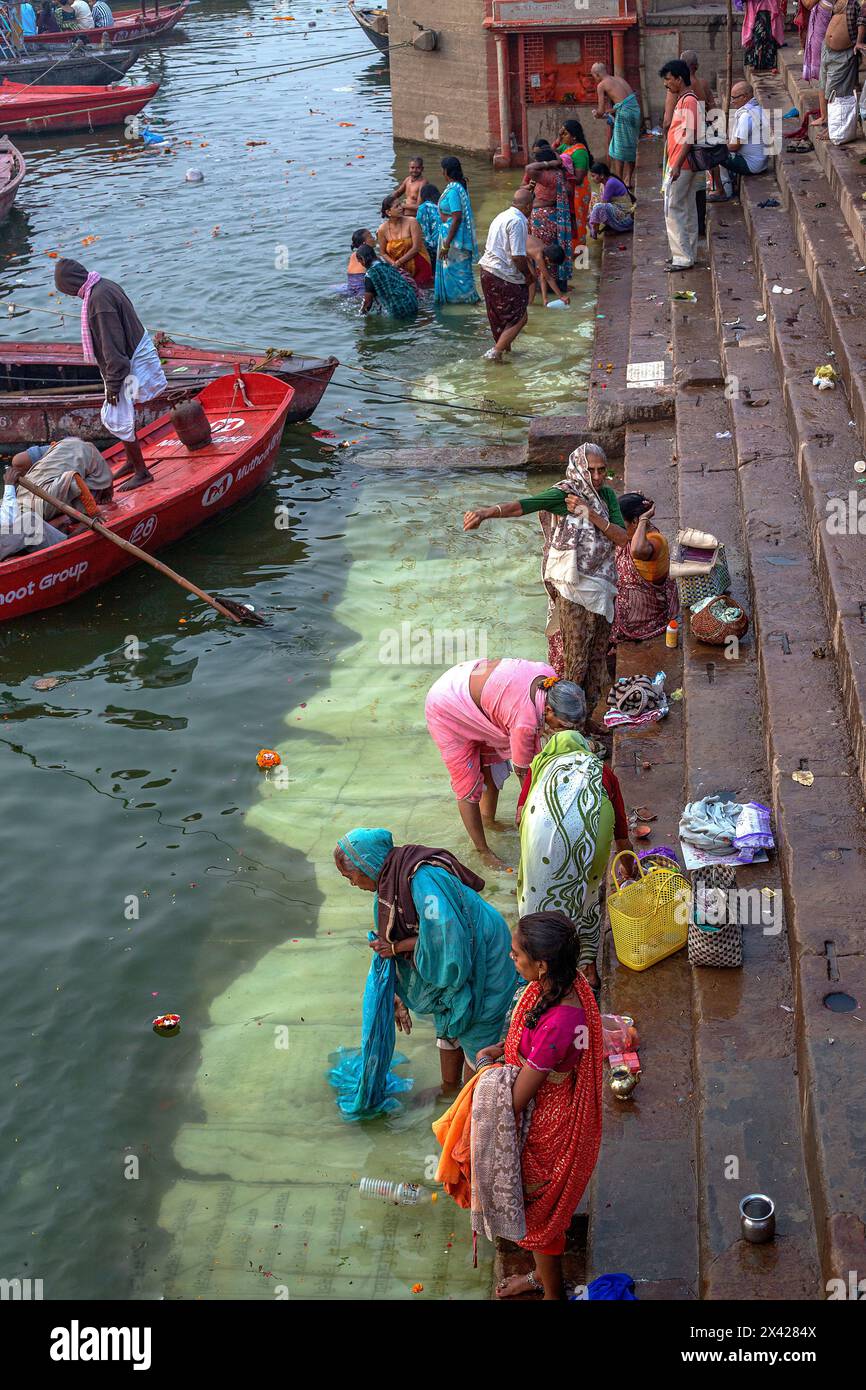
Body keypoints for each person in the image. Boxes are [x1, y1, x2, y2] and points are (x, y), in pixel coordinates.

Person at [476, 914, 603, 1300]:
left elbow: (516, 1099)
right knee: (540, 1213)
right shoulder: (561, 983)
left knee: (539, 1215)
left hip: (547, 1124)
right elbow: (526, 1041)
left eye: (516, 955)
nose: (510, 958)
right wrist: (503, 1050)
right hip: (545, 1101)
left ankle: (551, 1293)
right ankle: (539, 1275)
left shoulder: (562, 1022)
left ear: (542, 964)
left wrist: (484, 1067)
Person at [334, 828, 517, 1091]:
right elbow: (396, 941)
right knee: (448, 1020)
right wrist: (396, 990)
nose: (352, 883)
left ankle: (468, 1103)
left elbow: (448, 941)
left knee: (477, 1036)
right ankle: (448, 1090)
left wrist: (397, 949)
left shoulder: (422, 881)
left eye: (350, 876)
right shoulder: (388, 885)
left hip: (483, 954)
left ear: (367, 864)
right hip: (457, 954)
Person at [462, 444, 628, 722]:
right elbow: (523, 506)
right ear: (578, 469)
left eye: (602, 470)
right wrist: (486, 512)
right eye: (592, 471)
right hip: (573, 591)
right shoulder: (563, 495)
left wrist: (591, 514)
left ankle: (586, 720)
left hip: (602, 588)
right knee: (576, 661)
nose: (598, 477)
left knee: (598, 657)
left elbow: (621, 538)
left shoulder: (607, 496)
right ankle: (570, 727)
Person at [425, 660, 587, 869]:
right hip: (446, 705)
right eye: (563, 725)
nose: (563, 731)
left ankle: (488, 821)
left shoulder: (547, 676)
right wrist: (536, 817)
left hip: (462, 680)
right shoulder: (524, 723)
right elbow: (526, 778)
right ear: (548, 710)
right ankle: (482, 851)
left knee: (491, 764)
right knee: (468, 785)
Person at [515, 732, 634, 997]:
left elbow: (520, 816)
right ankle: (588, 971)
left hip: (542, 835)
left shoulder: (540, 765)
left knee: (538, 904)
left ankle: (540, 977)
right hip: (590, 834)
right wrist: (630, 869)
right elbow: (622, 835)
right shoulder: (601, 771)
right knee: (586, 898)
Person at [53, 260, 167, 492]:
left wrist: (114, 387)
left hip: (126, 363)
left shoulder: (98, 301)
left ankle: (142, 472)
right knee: (123, 415)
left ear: (70, 285)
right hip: (131, 354)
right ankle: (130, 460)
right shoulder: (103, 284)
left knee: (118, 417)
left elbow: (113, 348)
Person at [610, 492, 680, 643]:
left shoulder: (654, 540)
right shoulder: (637, 533)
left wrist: (642, 519)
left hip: (643, 620)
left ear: (635, 521)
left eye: (622, 523)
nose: (619, 527)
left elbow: (636, 550)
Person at [477, 186, 534, 362]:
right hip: (502, 274)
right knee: (520, 317)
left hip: (487, 271)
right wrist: (528, 276)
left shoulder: (502, 215)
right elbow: (517, 256)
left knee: (500, 318)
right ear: (527, 207)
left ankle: (504, 351)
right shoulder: (518, 221)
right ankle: (495, 352)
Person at [660, 59, 703, 272]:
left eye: (668, 80)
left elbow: (690, 135)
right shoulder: (684, 99)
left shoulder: (689, 101)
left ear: (679, 78)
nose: (666, 84)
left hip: (681, 164)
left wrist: (676, 164)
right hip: (681, 163)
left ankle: (682, 257)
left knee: (673, 208)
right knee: (686, 208)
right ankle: (688, 254)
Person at [521, 142, 573, 288]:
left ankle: (543, 287)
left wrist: (549, 162)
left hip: (543, 218)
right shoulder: (559, 174)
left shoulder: (545, 175)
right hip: (552, 216)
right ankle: (556, 285)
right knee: (552, 251)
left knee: (543, 254)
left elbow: (528, 168)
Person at [708, 82, 769, 200]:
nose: (732, 101)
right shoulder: (757, 108)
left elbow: (735, 146)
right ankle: (727, 183)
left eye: (734, 98)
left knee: (712, 154)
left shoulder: (747, 116)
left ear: (745, 97)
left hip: (752, 165)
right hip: (761, 162)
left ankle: (723, 191)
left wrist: (717, 146)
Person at [434, 156, 480, 305]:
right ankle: (462, 302)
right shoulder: (458, 186)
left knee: (459, 274)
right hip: (452, 238)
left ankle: (467, 302)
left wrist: (446, 245)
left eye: (442, 170)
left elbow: (457, 217)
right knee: (457, 273)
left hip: (454, 241)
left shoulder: (454, 191)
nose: (441, 173)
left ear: (446, 171)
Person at [591, 62, 641, 189]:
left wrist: (596, 114)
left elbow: (601, 111)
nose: (595, 79)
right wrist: (610, 112)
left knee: (618, 149)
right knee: (630, 145)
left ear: (597, 74)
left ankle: (619, 182)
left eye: (594, 76)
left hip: (624, 114)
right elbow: (625, 101)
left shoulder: (601, 85)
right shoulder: (618, 79)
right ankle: (628, 179)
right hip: (635, 111)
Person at [818, 0, 866, 113]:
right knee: (823, 85)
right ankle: (824, 118)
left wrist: (859, 42)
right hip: (827, 48)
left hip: (844, 52)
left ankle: (833, 127)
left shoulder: (859, 2)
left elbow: (862, 20)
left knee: (835, 94)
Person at [376, 192, 433, 287]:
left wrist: (399, 262)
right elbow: (383, 253)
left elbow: (416, 248)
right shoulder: (382, 229)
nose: (401, 208)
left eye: (400, 205)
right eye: (396, 206)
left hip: (419, 264)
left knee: (423, 294)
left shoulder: (412, 222)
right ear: (388, 212)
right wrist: (394, 264)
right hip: (399, 268)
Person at [356, 243, 418, 318]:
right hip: (412, 303)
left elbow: (368, 303)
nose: (361, 264)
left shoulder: (370, 275)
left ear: (362, 259)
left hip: (397, 312)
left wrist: (360, 315)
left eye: (359, 261)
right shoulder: (387, 266)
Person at [556, 118, 593, 248]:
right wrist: (559, 138)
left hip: (579, 190)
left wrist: (562, 170)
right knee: (570, 221)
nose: (562, 136)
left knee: (578, 222)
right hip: (570, 190)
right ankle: (571, 251)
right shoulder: (566, 146)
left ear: (574, 136)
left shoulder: (580, 152)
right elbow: (551, 153)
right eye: (562, 133)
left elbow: (579, 178)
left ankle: (580, 255)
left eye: (565, 133)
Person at [803, 0, 834, 124]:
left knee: (823, 73)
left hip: (824, 29)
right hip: (829, 25)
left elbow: (808, 4)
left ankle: (825, 116)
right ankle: (826, 113)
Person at [587, 161, 634, 237]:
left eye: (593, 176)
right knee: (593, 197)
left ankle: (595, 229)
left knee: (599, 206)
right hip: (617, 209)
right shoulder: (604, 182)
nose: (592, 179)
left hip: (624, 217)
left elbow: (603, 204)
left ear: (602, 175)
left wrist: (592, 218)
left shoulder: (610, 183)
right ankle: (595, 226)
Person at [741, 0, 786, 70]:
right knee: (760, 35)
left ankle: (763, 62)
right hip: (759, 8)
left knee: (765, 34)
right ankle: (759, 62)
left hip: (766, 7)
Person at [526, 237, 569, 306]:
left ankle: (529, 304)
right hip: (512, 249)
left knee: (533, 276)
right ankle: (529, 304)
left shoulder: (546, 251)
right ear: (547, 259)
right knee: (532, 278)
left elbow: (543, 277)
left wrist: (545, 299)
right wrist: (561, 296)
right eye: (553, 264)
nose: (552, 266)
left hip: (522, 250)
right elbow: (548, 278)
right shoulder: (539, 256)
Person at [415, 182, 441, 266]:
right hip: (446, 242)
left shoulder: (423, 208)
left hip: (432, 245)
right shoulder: (442, 205)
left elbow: (422, 229)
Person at [344, 228, 374, 296]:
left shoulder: (353, 255)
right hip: (362, 284)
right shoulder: (369, 254)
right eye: (371, 237)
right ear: (364, 243)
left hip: (351, 284)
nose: (374, 238)